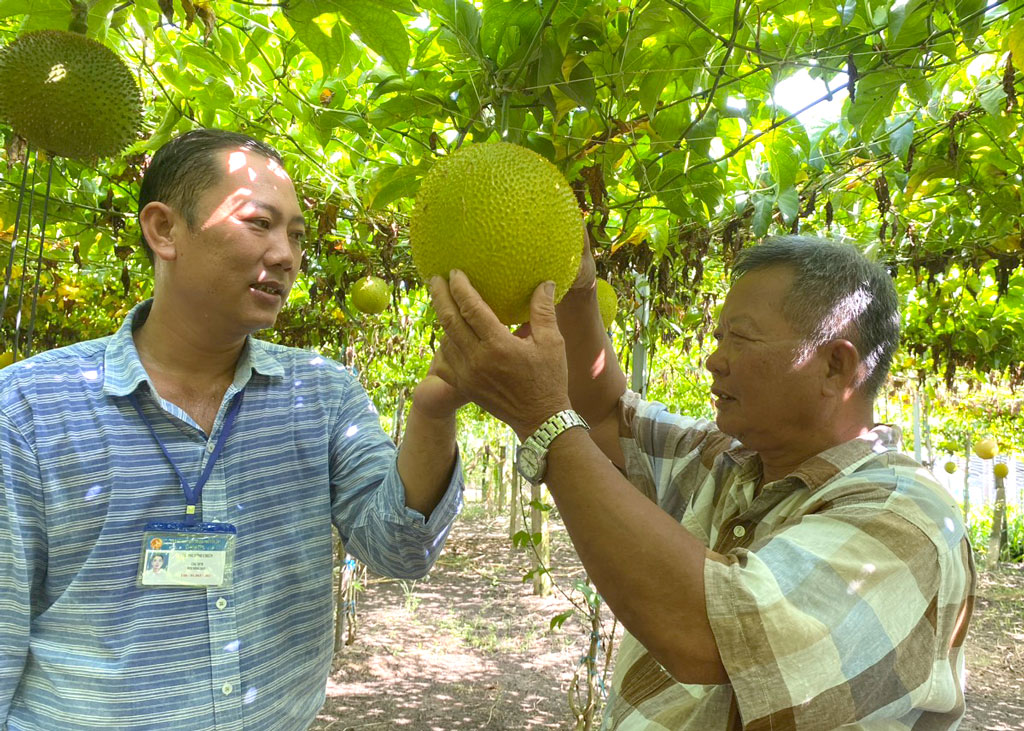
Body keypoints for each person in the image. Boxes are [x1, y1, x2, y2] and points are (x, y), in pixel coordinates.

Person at [0, 129, 464, 730]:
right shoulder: (30, 409)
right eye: (259, 223)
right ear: (163, 230)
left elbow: (399, 550)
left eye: (296, 235)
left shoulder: (322, 394)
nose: (286, 255)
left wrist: (435, 412)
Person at [429, 234, 975, 729]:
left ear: (835, 366)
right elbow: (601, 414)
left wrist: (543, 422)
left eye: (740, 338)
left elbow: (715, 634)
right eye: (718, 337)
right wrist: (576, 284)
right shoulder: (729, 463)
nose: (714, 360)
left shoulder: (907, 519)